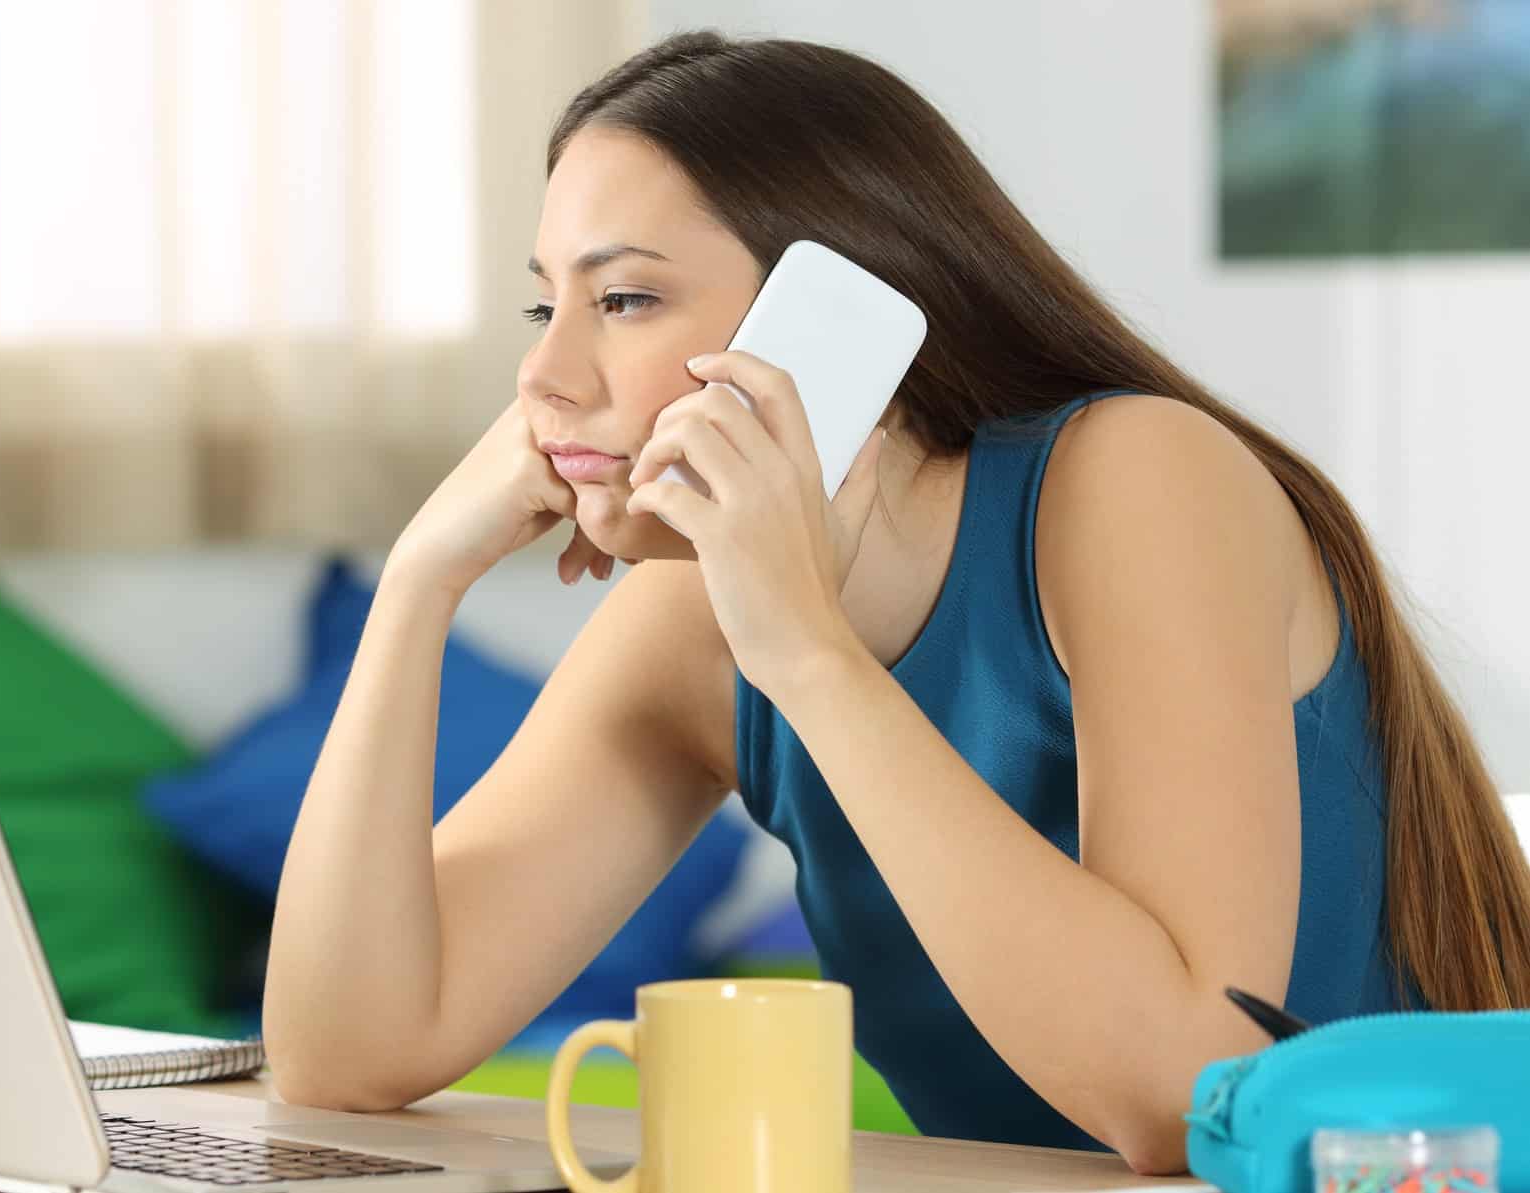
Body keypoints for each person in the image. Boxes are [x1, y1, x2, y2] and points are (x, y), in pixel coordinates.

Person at [259, 30, 1530, 1174]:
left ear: (837, 323)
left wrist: (807, 653)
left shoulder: (1142, 479)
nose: (542, 372)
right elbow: (349, 1053)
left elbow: (1187, 1095)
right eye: (550, 302)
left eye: (625, 298)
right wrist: (420, 583)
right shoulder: (695, 620)